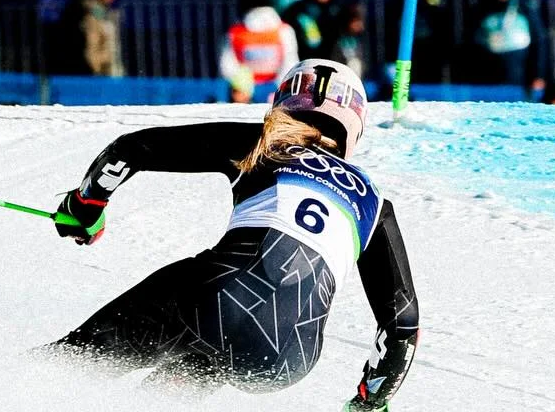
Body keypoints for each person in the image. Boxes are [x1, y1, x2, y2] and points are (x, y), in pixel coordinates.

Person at [47, 60, 418, 408]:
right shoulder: (375, 205)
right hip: (288, 357)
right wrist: (369, 402)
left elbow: (130, 150)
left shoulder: (266, 142)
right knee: (170, 388)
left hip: (214, 300)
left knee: (71, 363)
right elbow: (403, 326)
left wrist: (85, 205)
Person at [470, 0, 546, 95]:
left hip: (518, 72)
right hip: (491, 75)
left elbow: (539, 40)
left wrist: (538, 74)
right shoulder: (484, 7)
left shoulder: (525, 5)